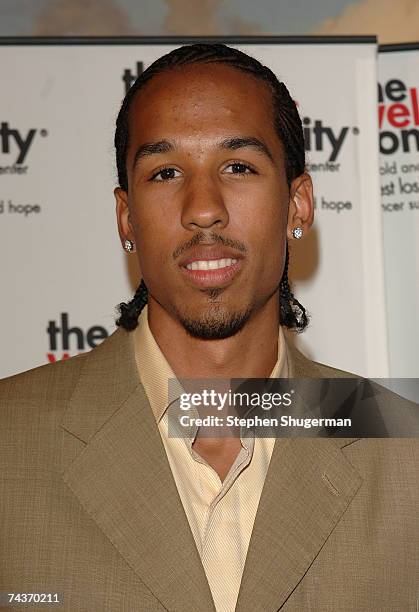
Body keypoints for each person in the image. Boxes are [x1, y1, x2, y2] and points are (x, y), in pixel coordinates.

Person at [0, 43, 418, 612]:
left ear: (298, 204)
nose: (203, 208)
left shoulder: (403, 453)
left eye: (238, 167)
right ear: (126, 216)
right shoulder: (11, 442)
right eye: (166, 171)